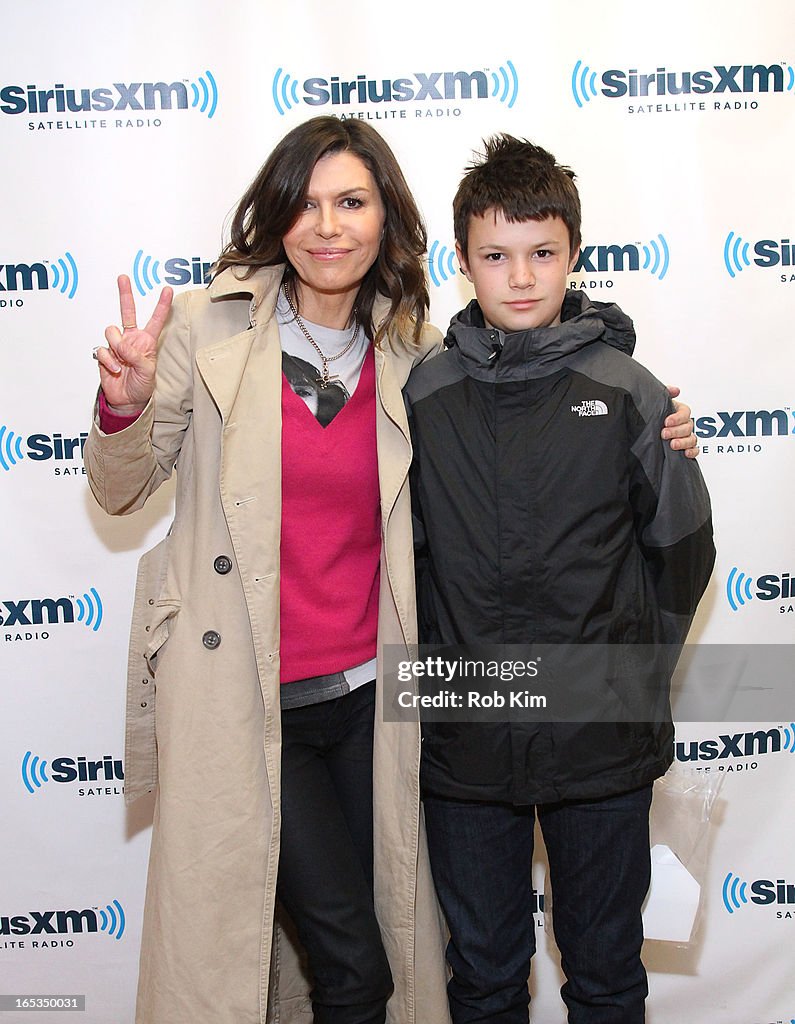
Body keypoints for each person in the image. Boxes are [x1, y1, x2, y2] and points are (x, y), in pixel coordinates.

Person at [85, 117, 698, 1024]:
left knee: (408, 951)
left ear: (385, 220)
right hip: (252, 696)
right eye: (306, 202)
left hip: (385, 704)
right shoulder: (206, 331)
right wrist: (123, 405)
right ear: (276, 214)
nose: (327, 225)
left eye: (352, 201)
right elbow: (123, 489)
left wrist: (656, 430)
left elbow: (641, 528)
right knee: (355, 960)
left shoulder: (412, 352)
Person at [402, 135, 715, 1024]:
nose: (521, 277)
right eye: (495, 256)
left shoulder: (629, 392)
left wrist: (625, 679)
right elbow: (402, 561)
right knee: (485, 976)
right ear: (461, 263)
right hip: (462, 740)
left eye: (542, 253)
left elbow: (682, 549)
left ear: (573, 254)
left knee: (607, 972)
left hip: (599, 739)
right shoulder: (422, 396)